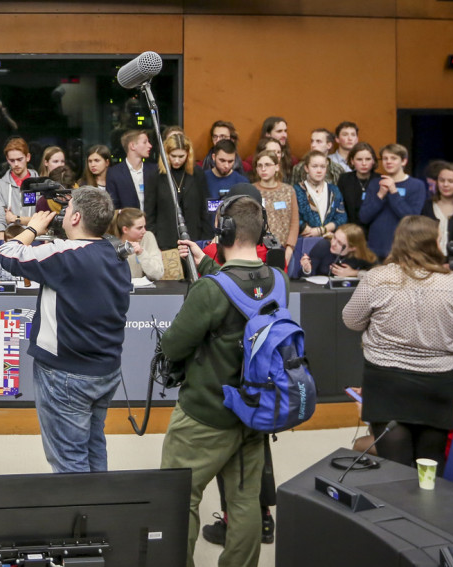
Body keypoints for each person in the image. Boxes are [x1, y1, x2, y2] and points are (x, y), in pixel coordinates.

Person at [161, 194, 277, 567]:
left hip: (205, 415)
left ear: (223, 231)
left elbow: (173, 345)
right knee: (244, 503)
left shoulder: (210, 290)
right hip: (254, 413)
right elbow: (241, 290)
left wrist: (208, 273)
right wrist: (208, 263)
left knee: (178, 498)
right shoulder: (278, 281)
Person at [0, 187, 130, 473]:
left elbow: (6, 254)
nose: (62, 215)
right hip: (105, 370)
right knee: (94, 450)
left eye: (67, 211)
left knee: (69, 463)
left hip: (65, 374)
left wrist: (32, 226)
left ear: (77, 216)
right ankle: (98, 513)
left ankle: (78, 515)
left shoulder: (65, 254)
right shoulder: (114, 251)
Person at [343, 216, 453, 473]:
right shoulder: (452, 282)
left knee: (395, 467)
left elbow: (351, 320)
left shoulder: (377, 278)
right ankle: (429, 512)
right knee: (430, 465)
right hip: (438, 384)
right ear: (433, 243)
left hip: (388, 382)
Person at [360, 144, 427, 259]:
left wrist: (393, 191)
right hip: (375, 248)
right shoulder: (375, 184)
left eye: (393, 158)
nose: (388, 162)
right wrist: (380, 195)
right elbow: (364, 217)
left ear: (404, 161)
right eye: (385, 158)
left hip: (403, 249)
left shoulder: (417, 185)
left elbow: (411, 218)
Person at [150, 131, 209, 245]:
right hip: (165, 240)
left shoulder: (197, 173)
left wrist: (205, 239)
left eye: (181, 156)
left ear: (188, 154)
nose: (177, 161)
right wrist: (154, 242)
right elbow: (150, 212)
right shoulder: (155, 175)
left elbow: (204, 209)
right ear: (166, 154)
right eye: (173, 156)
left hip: (194, 237)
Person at [251, 150, 300, 258]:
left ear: (277, 167)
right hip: (257, 250)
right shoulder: (251, 190)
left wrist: (290, 248)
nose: (263, 169)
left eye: (267, 165)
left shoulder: (288, 190)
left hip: (283, 248)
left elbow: (294, 222)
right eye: (260, 165)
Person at [294, 150, 348, 238]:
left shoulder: (334, 190)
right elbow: (294, 218)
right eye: (314, 166)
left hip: (330, 238)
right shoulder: (297, 190)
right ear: (306, 168)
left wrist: (322, 230)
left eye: (322, 167)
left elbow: (341, 218)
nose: (319, 170)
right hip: (305, 239)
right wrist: (311, 232)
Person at [0, 137, 37, 239]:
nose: (16, 164)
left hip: (35, 240)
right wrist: (2, 245)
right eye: (12, 160)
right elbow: (0, 220)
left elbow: (42, 219)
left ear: (28, 157)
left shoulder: (40, 184)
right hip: (9, 241)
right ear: (7, 160)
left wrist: (15, 218)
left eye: (19, 159)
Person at [420, 161, 453, 251]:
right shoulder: (426, 206)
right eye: (442, 180)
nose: (445, 185)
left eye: (451, 181)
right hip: (430, 259)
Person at [299, 223, 377, 278]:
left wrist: (353, 273)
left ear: (352, 248)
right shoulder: (323, 246)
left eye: (339, 243)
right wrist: (307, 270)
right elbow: (304, 277)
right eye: (334, 238)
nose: (333, 243)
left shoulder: (361, 254)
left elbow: (378, 274)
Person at [109, 208, 163, 281]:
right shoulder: (110, 242)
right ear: (125, 229)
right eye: (139, 228)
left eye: (144, 226)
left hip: (142, 290)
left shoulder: (147, 237)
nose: (144, 231)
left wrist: (141, 253)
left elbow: (157, 274)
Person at [105, 129, 152, 210]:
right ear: (132, 146)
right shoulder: (114, 173)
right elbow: (113, 206)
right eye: (145, 142)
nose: (150, 146)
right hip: (127, 221)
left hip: (151, 222)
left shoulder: (154, 170)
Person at [336, 142, 379, 226]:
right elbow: (340, 207)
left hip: (374, 228)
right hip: (350, 228)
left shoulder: (380, 180)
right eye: (359, 159)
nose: (364, 163)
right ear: (352, 161)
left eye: (368, 159)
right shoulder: (344, 179)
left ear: (373, 161)